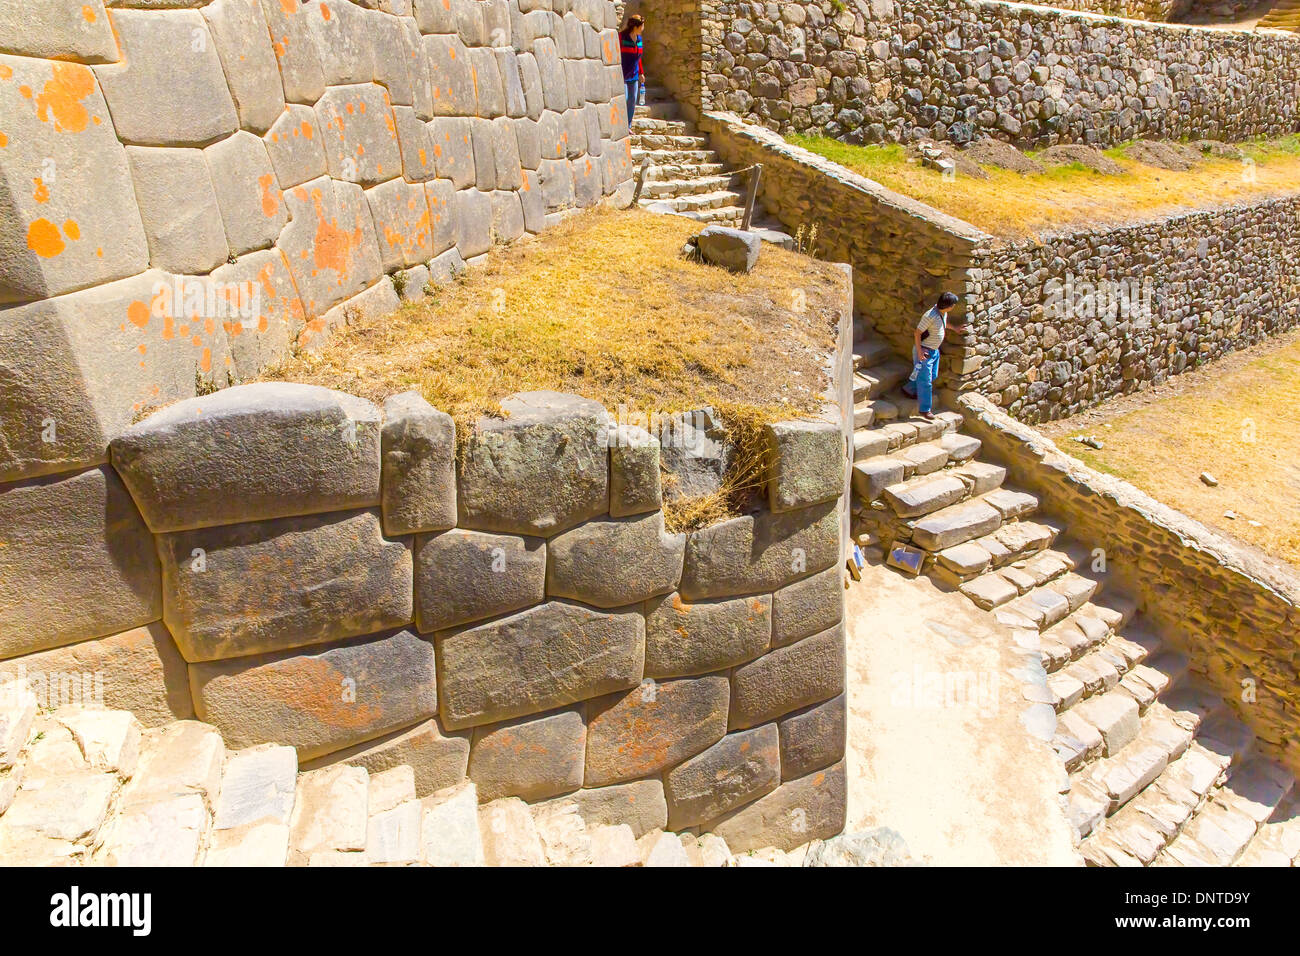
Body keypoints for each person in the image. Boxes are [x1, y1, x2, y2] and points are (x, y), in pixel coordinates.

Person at [901, 292, 967, 420]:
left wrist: (955, 328)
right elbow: (917, 333)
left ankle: (908, 389)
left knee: (932, 375)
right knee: (926, 381)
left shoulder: (943, 312)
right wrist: (920, 352)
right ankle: (925, 410)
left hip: (934, 351)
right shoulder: (930, 316)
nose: (953, 307)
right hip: (925, 351)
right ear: (947, 306)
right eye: (953, 305)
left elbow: (942, 324)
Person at [620, 15, 646, 126]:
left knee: (632, 100)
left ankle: (628, 125)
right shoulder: (622, 37)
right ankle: (620, 124)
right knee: (624, 99)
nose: (643, 28)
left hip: (634, 75)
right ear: (636, 27)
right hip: (622, 75)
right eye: (642, 26)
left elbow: (638, 58)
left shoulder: (639, 40)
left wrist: (641, 72)